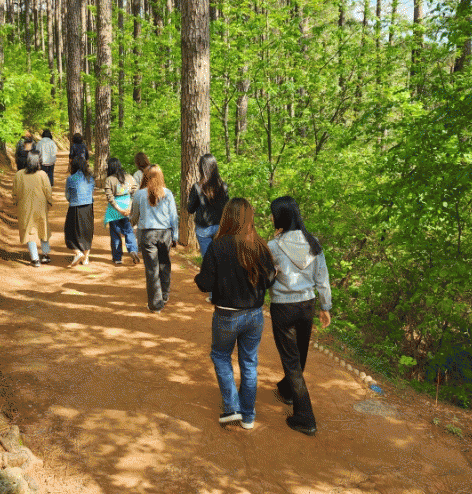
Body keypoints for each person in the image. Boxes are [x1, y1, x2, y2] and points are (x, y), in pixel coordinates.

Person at [194, 198, 276, 429]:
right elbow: (269, 280)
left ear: (227, 217)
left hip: (227, 315)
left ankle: (232, 408)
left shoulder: (217, 246)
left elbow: (205, 283)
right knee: (249, 363)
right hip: (255, 315)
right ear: (250, 218)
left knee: (221, 356)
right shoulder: (258, 245)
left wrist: (199, 278)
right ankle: (248, 416)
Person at [268, 195, 332, 437]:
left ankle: (305, 416)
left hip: (283, 306)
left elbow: (266, 276)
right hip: (307, 305)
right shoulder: (313, 243)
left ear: (281, 217)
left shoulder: (273, 246)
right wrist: (325, 306)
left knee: (291, 360)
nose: (271, 217)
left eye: (273, 213)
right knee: (299, 354)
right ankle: (287, 390)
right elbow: (322, 277)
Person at [130, 165, 179, 313]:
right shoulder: (167, 193)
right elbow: (173, 217)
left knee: (152, 269)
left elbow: (134, 216)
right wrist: (175, 236)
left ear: (145, 176)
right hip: (165, 234)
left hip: (147, 235)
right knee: (164, 265)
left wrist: (129, 226)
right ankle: (164, 295)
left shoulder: (139, 194)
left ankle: (156, 305)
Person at [12, 151, 52, 267]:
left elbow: (15, 192)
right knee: (43, 228)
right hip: (40, 206)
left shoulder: (19, 174)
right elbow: (48, 190)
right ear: (39, 161)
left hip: (25, 206)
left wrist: (15, 201)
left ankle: (35, 259)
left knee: (29, 229)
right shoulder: (42, 174)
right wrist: (49, 202)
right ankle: (45, 255)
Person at [187, 154, 229, 257]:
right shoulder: (223, 186)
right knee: (220, 259)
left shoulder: (197, 187)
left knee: (207, 261)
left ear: (201, 168)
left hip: (203, 228)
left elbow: (190, 209)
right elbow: (227, 207)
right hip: (220, 227)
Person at [103, 158, 139, 265]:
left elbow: (110, 198)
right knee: (129, 231)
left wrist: (119, 209)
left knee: (115, 234)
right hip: (128, 207)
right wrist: (129, 207)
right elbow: (134, 192)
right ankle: (133, 250)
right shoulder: (129, 177)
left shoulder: (109, 179)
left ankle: (117, 258)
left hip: (115, 211)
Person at [64, 156, 95, 266]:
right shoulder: (90, 178)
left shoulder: (71, 178)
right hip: (88, 208)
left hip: (75, 208)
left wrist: (73, 200)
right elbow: (92, 191)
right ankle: (86, 259)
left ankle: (78, 253)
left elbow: (67, 195)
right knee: (87, 232)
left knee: (70, 232)